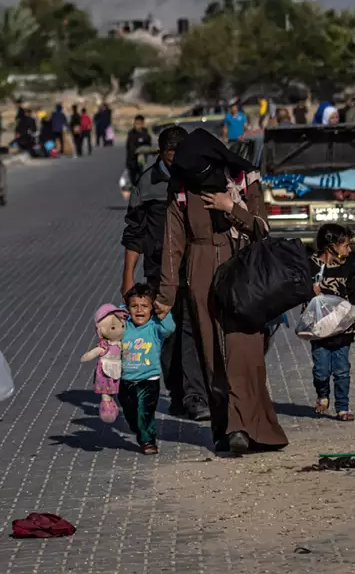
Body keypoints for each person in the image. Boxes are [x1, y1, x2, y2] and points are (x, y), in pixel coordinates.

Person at [157, 129, 288, 454]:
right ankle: (231, 429)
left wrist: (231, 206)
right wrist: (166, 296)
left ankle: (256, 427)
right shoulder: (182, 191)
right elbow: (172, 247)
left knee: (244, 351)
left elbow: (263, 228)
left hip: (242, 273)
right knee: (212, 351)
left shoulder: (243, 179)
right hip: (201, 272)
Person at [121, 125, 208, 420]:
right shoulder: (147, 184)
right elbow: (134, 233)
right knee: (168, 335)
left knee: (191, 329)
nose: (175, 162)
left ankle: (195, 395)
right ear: (161, 154)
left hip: (194, 268)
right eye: (170, 157)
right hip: (159, 272)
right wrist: (128, 277)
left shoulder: (197, 178)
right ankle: (178, 392)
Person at [308, 225, 355, 423]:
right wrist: (311, 291)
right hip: (319, 328)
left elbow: (354, 291)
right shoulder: (311, 267)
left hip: (344, 327)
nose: (349, 251)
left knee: (342, 370)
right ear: (331, 246)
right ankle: (323, 395)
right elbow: (295, 290)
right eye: (346, 246)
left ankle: (342, 407)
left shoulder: (346, 268)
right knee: (321, 370)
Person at [118, 283, 176, 454]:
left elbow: (169, 328)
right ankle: (139, 431)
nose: (139, 310)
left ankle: (148, 441)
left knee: (145, 412)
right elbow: (112, 323)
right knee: (130, 413)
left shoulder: (155, 327)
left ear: (151, 308)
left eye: (144, 306)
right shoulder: (124, 326)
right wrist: (122, 311)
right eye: (134, 306)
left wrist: (162, 311)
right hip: (126, 379)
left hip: (149, 379)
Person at [125, 115, 152, 187]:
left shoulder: (145, 133)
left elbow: (149, 144)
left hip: (141, 159)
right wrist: (136, 150)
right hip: (132, 160)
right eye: (136, 123)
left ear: (143, 123)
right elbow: (129, 146)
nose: (138, 125)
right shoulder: (131, 133)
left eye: (140, 123)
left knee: (141, 175)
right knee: (132, 176)